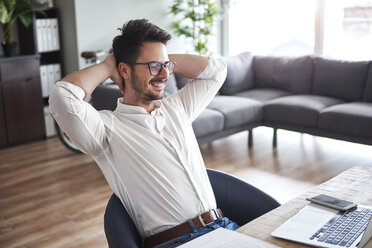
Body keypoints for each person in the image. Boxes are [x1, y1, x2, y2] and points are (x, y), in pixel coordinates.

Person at [49, 19, 238, 248]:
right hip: (178, 242)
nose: (165, 75)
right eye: (153, 67)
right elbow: (62, 97)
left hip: (225, 228)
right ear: (124, 70)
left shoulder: (177, 108)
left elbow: (217, 71)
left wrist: (163, 61)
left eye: (166, 66)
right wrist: (108, 65)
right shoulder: (105, 130)